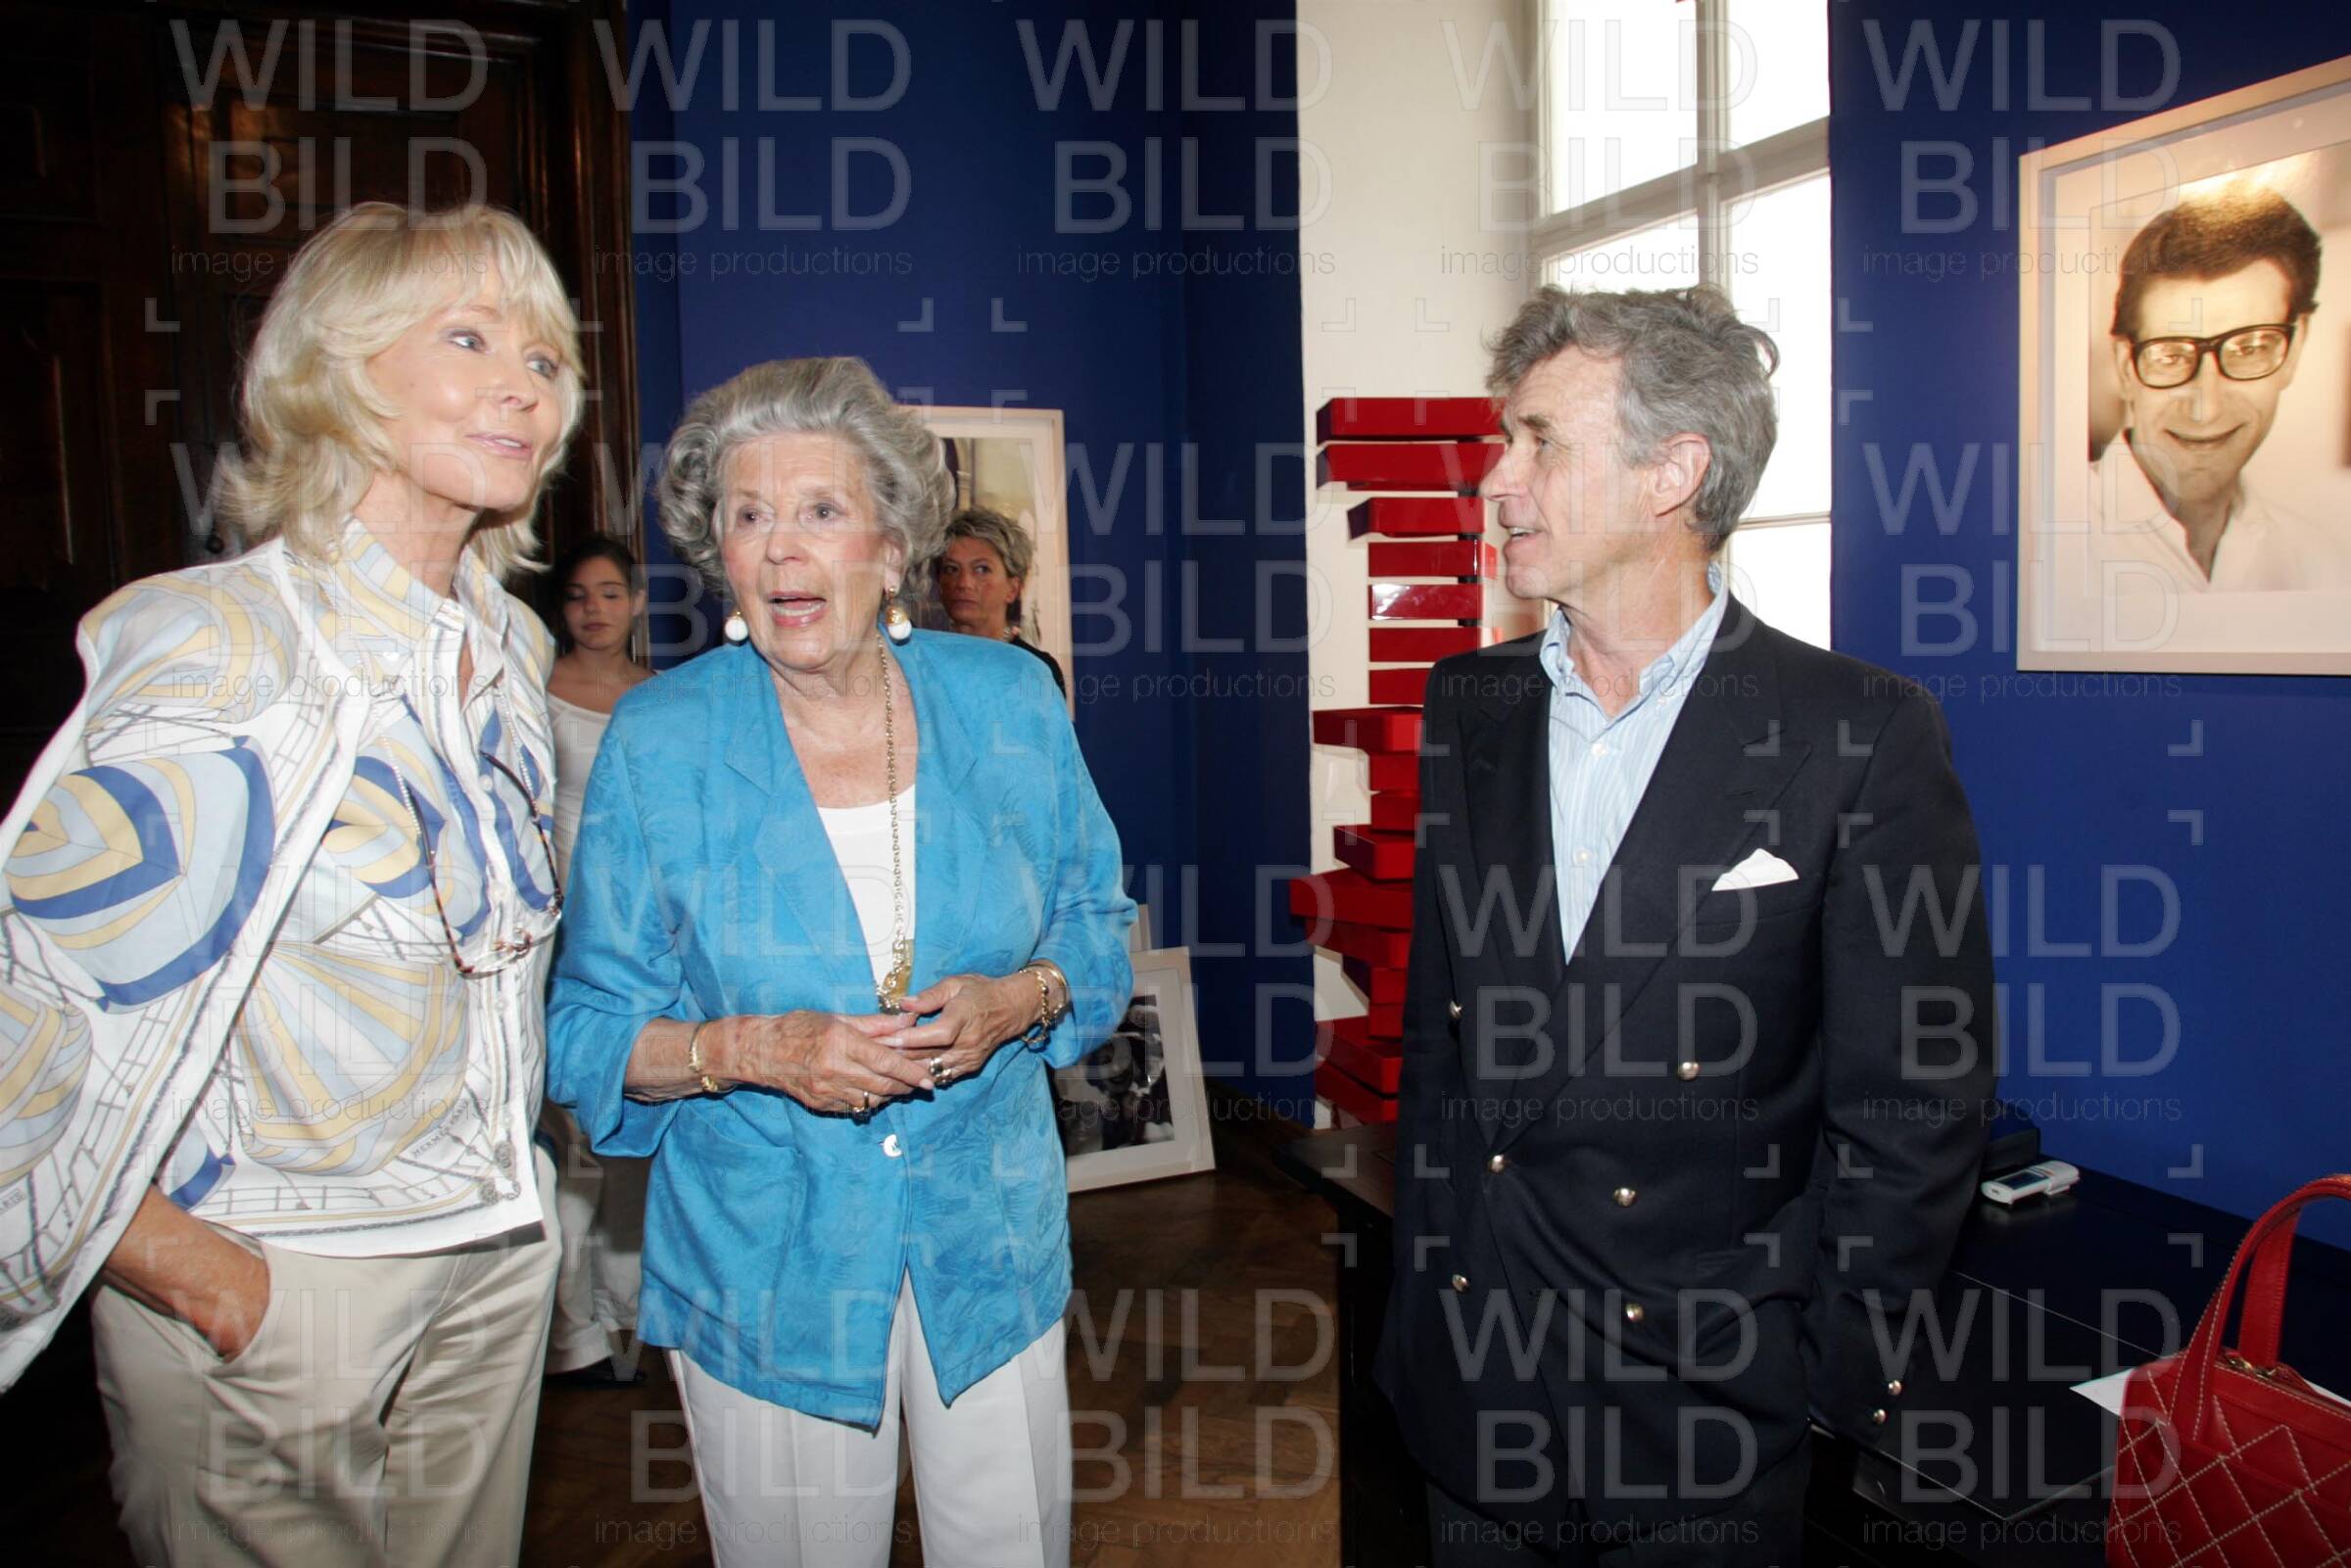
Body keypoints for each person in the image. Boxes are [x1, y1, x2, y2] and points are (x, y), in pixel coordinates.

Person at [0, 201, 582, 1566]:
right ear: (338, 370)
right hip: (273, 1281)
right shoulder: (219, 638)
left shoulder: (510, 645)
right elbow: (24, 996)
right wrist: (187, 1266)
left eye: (547, 358)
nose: (524, 385)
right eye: (469, 338)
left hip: (496, 1263)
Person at [1376, 285, 1996, 1565]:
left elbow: (1913, 1106)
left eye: (1541, 442)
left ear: (1674, 472)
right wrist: (1424, 1292)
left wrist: (1825, 1377)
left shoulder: (1858, 732)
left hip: (1705, 1413)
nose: (1497, 480)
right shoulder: (1467, 703)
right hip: (1472, 1380)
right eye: (1506, 440)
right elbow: (1442, 1043)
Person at [546, 356, 1133, 1567]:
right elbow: (586, 1027)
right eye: (748, 515)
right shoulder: (660, 740)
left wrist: (1019, 998)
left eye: (820, 509)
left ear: (891, 541)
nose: (781, 549)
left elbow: (1094, 918)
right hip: (770, 1261)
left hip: (987, 1239)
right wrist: (756, 1050)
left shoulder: (1010, 700)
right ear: (719, 553)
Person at [2086, 185, 2348, 592]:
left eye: (2249, 348)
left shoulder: (2323, 567)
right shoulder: (2046, 533)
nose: (2205, 409)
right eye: (2170, 355)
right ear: (2125, 368)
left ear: (2295, 348)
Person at [540, 535, 653, 1387]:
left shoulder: (659, 696)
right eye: (580, 595)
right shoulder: (531, 687)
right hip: (549, 923)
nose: (595, 610)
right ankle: (569, 1328)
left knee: (632, 1117)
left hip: (634, 926)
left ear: (637, 602)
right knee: (567, 1124)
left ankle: (633, 1313)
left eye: (611, 593)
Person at [935, 503, 1066, 694]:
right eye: (952, 569)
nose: (963, 583)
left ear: (1013, 588)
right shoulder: (923, 660)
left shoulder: (1035, 667)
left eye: (981, 569)